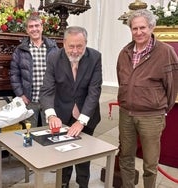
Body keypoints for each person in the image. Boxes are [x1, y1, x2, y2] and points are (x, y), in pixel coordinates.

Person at [117, 9, 178, 188]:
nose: (138, 32)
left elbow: (173, 86)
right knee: (125, 158)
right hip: (126, 115)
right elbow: (122, 79)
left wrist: (159, 108)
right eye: (134, 28)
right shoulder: (125, 52)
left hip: (151, 116)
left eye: (142, 27)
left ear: (152, 27)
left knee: (150, 164)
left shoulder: (165, 52)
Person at [40, 26, 102, 188]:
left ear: (86, 43)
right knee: (62, 153)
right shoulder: (53, 57)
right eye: (71, 46)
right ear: (64, 43)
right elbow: (47, 90)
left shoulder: (95, 57)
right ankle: (63, 183)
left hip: (87, 114)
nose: (75, 51)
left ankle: (83, 184)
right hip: (62, 114)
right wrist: (51, 115)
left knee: (84, 154)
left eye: (79, 46)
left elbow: (94, 92)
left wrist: (81, 121)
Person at [10, 14, 59, 127]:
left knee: (49, 130)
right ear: (27, 30)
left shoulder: (53, 48)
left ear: (42, 27)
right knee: (29, 131)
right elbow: (14, 74)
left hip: (49, 99)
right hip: (30, 99)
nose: (34, 29)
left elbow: (60, 72)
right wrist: (20, 94)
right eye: (31, 26)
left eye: (37, 25)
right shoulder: (20, 50)